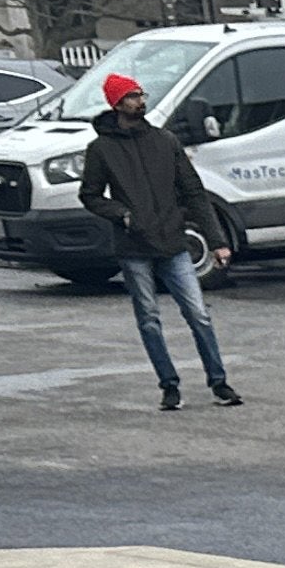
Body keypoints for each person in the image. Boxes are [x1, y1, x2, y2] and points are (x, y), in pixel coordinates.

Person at [76, 72, 245, 412]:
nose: (140, 101)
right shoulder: (101, 149)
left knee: (198, 314)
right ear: (117, 104)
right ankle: (169, 385)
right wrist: (121, 214)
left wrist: (217, 241)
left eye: (141, 94)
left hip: (172, 240)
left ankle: (219, 381)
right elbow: (90, 195)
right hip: (133, 246)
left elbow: (194, 192)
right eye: (132, 97)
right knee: (149, 318)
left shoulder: (165, 141)